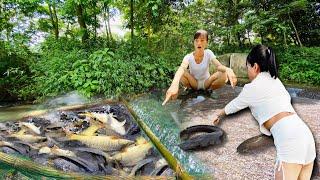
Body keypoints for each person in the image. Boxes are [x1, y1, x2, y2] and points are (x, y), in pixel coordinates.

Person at [211, 45, 316, 179]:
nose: (247, 72)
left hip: (290, 141)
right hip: (306, 136)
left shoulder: (252, 88)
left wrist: (218, 114)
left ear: (255, 67)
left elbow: (233, 106)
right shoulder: (276, 81)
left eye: (247, 67)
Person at [162, 30, 237, 105]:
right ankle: (190, 90)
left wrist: (228, 69)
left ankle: (209, 91)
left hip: (206, 83)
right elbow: (182, 68)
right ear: (194, 42)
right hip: (194, 83)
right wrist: (174, 84)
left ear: (206, 43)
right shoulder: (188, 57)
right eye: (196, 40)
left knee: (223, 74)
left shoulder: (208, 53)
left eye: (202, 40)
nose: (199, 43)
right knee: (181, 72)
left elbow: (219, 66)